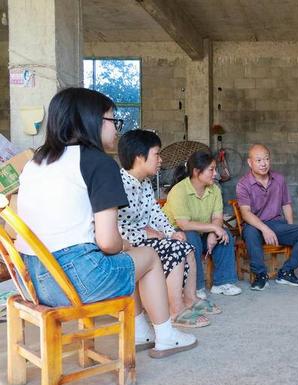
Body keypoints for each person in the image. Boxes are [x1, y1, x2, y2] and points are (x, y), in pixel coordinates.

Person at [15, 87, 196, 358]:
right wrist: (125, 244)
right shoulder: (98, 163)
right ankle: (166, 335)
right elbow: (108, 242)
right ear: (92, 120)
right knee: (146, 256)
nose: (116, 129)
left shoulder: (36, 162)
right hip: (77, 281)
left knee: (130, 260)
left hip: (33, 282)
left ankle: (140, 331)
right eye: (113, 121)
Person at [117, 129, 218, 329]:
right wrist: (145, 232)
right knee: (176, 250)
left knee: (186, 246)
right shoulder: (119, 184)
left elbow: (156, 212)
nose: (161, 160)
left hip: (146, 238)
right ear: (139, 157)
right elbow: (115, 226)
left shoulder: (144, 183)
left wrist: (171, 232)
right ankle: (175, 310)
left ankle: (190, 299)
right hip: (128, 242)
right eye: (157, 154)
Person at [235, 144, 298, 291]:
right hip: (254, 226)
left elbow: (286, 205)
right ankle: (260, 275)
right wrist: (264, 228)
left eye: (266, 159)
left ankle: (286, 272)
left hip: (277, 225)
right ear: (250, 162)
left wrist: (290, 228)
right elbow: (246, 213)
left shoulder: (279, 179)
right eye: (258, 160)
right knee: (250, 232)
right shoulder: (243, 184)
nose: (263, 163)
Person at [163, 150, 240, 298]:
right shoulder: (179, 190)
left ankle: (222, 283)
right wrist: (213, 228)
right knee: (191, 236)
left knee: (225, 235)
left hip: (201, 233)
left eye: (215, 169)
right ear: (196, 171)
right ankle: (195, 287)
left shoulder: (215, 190)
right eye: (211, 169)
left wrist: (213, 233)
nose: (216, 174)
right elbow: (184, 225)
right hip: (175, 236)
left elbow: (217, 217)